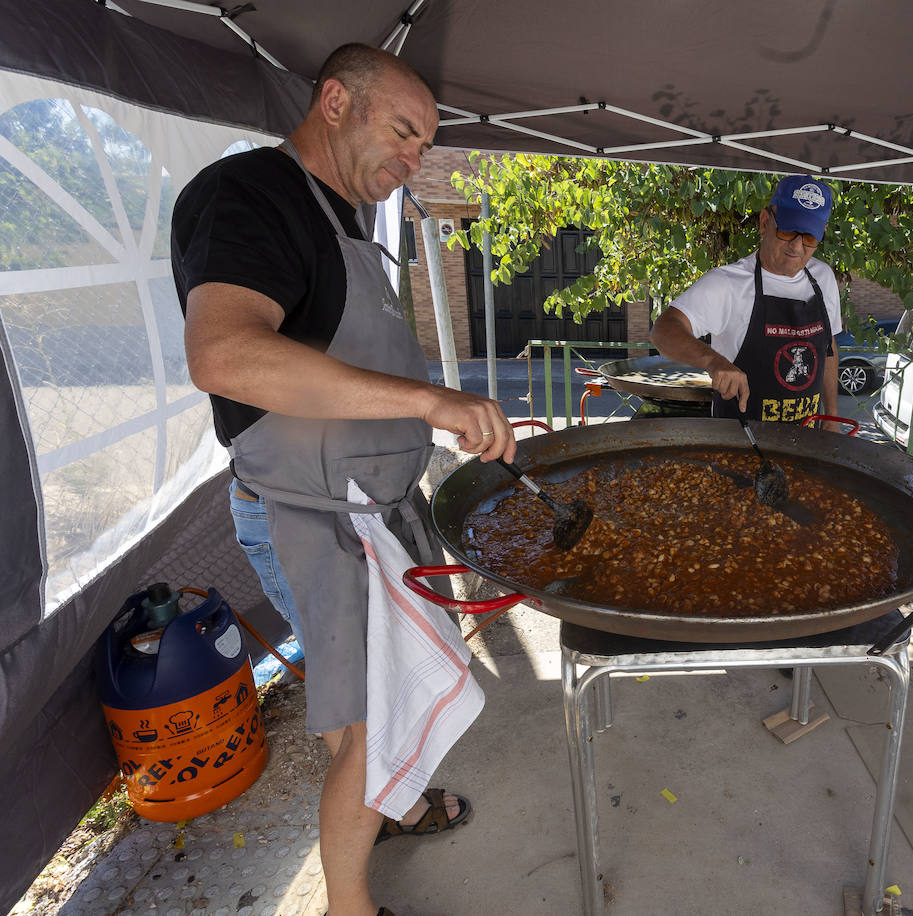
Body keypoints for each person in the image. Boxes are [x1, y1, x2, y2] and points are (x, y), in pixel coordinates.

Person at [171, 44, 513, 916]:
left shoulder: (348, 222)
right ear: (334, 102)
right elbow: (223, 353)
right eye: (402, 132)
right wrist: (428, 400)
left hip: (375, 514)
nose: (412, 161)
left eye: (424, 146)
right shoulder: (249, 194)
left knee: (367, 710)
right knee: (370, 725)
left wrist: (426, 423)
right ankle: (348, 904)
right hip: (313, 518)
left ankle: (382, 811)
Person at [649, 175, 844, 427]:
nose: (797, 247)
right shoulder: (727, 283)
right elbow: (663, 331)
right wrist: (713, 361)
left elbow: (827, 348)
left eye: (809, 238)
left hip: (805, 444)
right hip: (740, 444)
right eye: (787, 230)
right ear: (765, 222)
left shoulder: (823, 278)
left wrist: (832, 415)